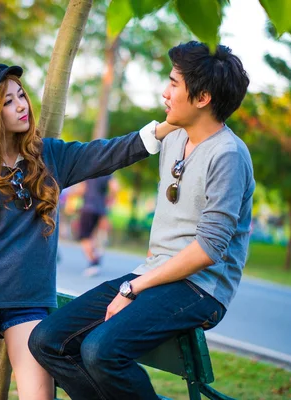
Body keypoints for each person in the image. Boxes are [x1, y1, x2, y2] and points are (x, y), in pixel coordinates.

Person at [28, 41, 254, 400]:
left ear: (202, 98)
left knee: (102, 351)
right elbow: (131, 144)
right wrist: (162, 128)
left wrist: (133, 288)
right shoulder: (176, 136)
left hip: (200, 287)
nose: (165, 93)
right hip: (154, 272)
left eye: (174, 84)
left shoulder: (228, 155)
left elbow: (209, 249)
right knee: (47, 340)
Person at [0, 62, 176, 399]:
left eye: (21, 95)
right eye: (8, 102)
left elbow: (106, 153)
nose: (22, 105)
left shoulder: (49, 156)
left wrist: (165, 128)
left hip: (30, 304)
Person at [78, 175, 118, 277]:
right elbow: (115, 187)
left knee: (84, 237)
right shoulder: (108, 172)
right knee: (93, 235)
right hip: (100, 209)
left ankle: (93, 262)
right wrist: (110, 200)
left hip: (88, 208)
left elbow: (81, 189)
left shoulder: (88, 171)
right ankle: (95, 256)